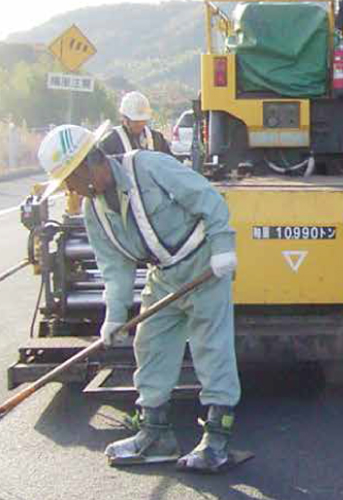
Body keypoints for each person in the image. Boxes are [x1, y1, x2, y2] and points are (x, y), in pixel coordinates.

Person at [37, 122, 244, 472]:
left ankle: (217, 440)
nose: (73, 189)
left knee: (212, 348)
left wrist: (223, 246)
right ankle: (155, 434)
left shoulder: (148, 166)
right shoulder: (94, 211)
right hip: (163, 277)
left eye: (72, 180)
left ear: (92, 163)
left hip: (203, 266)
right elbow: (113, 267)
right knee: (149, 344)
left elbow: (207, 198)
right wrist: (114, 316)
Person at [99, 91, 171, 157]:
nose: (139, 124)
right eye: (135, 121)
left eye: (142, 120)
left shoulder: (157, 139)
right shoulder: (111, 141)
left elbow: (169, 163)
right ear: (124, 118)